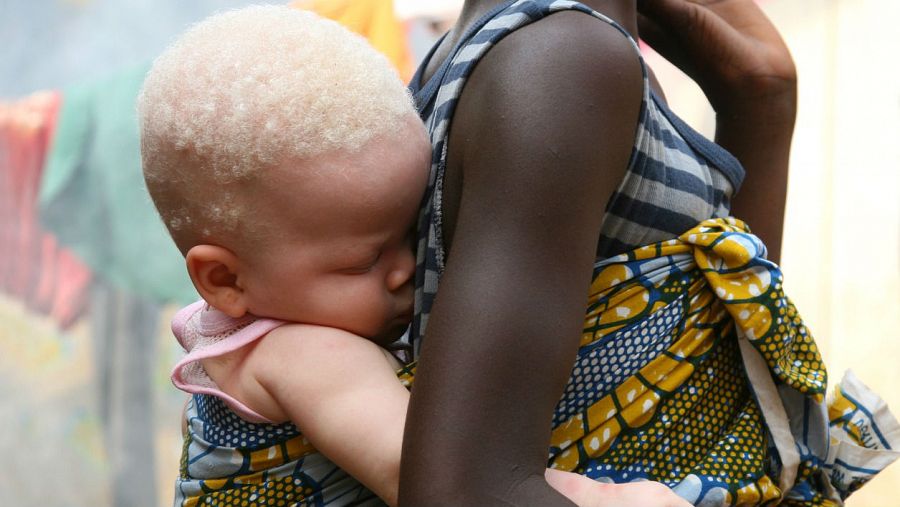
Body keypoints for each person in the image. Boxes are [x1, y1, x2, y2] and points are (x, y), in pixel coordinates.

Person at [137, 6, 691, 507]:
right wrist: (602, 499)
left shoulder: (247, 330)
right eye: (362, 262)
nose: (406, 267)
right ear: (224, 279)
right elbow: (427, 475)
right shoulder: (305, 353)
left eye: (410, 232)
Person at [399, 0, 899, 506]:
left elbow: (713, 361)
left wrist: (760, 100)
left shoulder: (516, 50)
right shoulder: (568, 59)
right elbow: (465, 493)